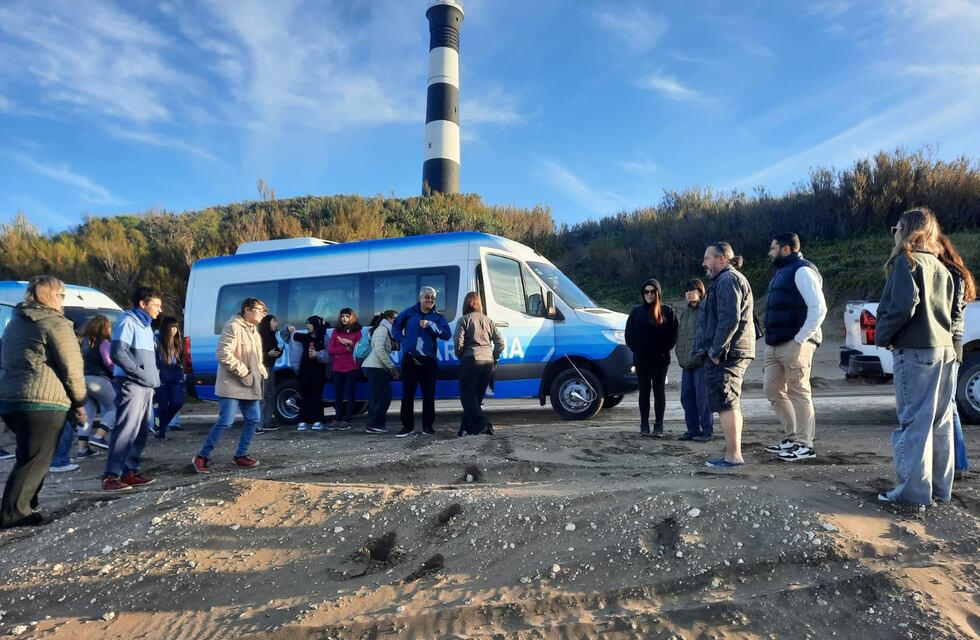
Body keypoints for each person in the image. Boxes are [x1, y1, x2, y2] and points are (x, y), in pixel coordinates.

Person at [875, 208, 955, 506]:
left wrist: (883, 335)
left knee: (914, 422)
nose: (893, 233)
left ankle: (912, 494)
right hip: (945, 350)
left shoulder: (905, 261)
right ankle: (939, 490)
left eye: (895, 228)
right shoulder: (940, 265)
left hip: (917, 349)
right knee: (941, 423)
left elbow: (904, 305)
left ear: (905, 229)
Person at [0, 276, 87, 527]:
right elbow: (72, 368)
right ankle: (15, 513)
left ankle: (24, 506)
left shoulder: (15, 324)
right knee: (35, 460)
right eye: (61, 295)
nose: (63, 300)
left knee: (27, 456)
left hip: (10, 399)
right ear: (52, 296)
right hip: (42, 401)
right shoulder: (55, 323)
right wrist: (79, 401)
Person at [762, 233, 828, 462]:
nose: (770, 252)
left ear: (786, 249)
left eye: (773, 248)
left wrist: (800, 339)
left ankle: (804, 443)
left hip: (796, 342)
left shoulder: (802, 270)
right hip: (775, 343)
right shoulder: (781, 273)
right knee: (772, 390)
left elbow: (819, 308)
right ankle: (791, 438)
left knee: (799, 392)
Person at [692, 242, 756, 468]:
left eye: (707, 258)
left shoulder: (728, 280)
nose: (704, 263)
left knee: (727, 402)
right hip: (729, 351)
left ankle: (733, 456)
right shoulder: (725, 280)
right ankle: (732, 454)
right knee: (727, 402)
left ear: (722, 258)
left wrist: (716, 351)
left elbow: (730, 319)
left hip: (728, 353)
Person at [192, 298, 268, 474]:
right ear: (247, 310)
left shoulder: (254, 331)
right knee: (226, 421)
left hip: (250, 383)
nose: (264, 313)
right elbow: (223, 354)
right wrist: (243, 372)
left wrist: (261, 370)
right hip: (232, 383)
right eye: (260, 309)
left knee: (254, 419)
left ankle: (241, 455)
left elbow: (256, 357)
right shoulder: (233, 326)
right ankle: (201, 456)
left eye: (265, 310)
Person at [101, 286, 163, 492]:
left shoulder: (145, 326)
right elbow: (117, 352)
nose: (159, 310)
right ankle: (111, 476)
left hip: (146, 385)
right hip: (132, 383)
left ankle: (129, 471)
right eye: (155, 305)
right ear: (142, 304)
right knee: (126, 429)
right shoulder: (128, 321)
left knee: (142, 430)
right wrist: (139, 373)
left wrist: (151, 378)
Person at [936, 234, 975, 477]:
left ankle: (958, 463)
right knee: (947, 405)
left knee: (948, 405)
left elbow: (952, 315)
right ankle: (957, 462)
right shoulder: (957, 272)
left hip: (948, 341)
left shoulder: (951, 273)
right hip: (953, 341)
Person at [392, 287, 451, 437]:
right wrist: (403, 340)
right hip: (409, 360)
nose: (430, 300)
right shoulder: (409, 312)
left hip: (428, 361)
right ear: (420, 298)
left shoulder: (438, 317)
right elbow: (395, 326)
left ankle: (428, 427)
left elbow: (446, 334)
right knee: (407, 396)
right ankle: (407, 427)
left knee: (428, 396)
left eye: (433, 298)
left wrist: (431, 325)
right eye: (427, 297)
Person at [625, 279, 678, 437]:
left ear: (658, 293)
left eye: (652, 291)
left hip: (660, 360)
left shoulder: (667, 311)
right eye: (646, 292)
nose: (649, 294)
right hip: (641, 360)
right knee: (644, 392)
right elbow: (629, 335)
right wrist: (637, 350)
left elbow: (674, 334)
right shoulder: (636, 312)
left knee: (659, 392)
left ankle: (659, 426)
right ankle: (644, 425)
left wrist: (663, 350)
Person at [454, 292, 505, 437]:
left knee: (467, 397)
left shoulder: (463, 320)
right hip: (487, 362)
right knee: (475, 399)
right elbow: (500, 342)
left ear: (466, 304)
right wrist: (494, 357)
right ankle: (465, 429)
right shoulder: (489, 320)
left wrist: (461, 356)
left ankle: (484, 424)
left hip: (470, 360)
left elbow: (458, 344)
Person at [675, 279, 713, 442]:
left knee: (702, 398)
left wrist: (705, 354)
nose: (689, 293)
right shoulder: (685, 314)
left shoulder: (706, 309)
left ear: (700, 291)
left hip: (700, 361)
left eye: (693, 290)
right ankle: (692, 430)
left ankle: (706, 430)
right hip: (686, 362)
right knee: (686, 397)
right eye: (687, 290)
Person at [78, 315, 115, 455]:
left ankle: (82, 449)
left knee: (88, 414)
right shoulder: (104, 342)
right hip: (99, 379)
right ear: (104, 327)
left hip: (83, 379)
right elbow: (109, 362)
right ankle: (99, 436)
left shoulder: (84, 342)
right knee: (115, 407)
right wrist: (116, 371)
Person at [362, 310, 400, 434]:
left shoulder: (387, 330)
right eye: (395, 318)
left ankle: (377, 424)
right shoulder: (382, 330)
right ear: (388, 318)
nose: (397, 320)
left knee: (381, 396)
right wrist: (391, 366)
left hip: (377, 367)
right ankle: (373, 425)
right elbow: (379, 350)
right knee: (381, 397)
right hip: (374, 367)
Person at [327, 308, 362, 430]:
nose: (344, 318)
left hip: (352, 366)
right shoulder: (336, 331)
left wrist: (350, 343)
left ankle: (347, 419)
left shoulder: (358, 331)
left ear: (352, 317)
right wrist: (346, 349)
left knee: (351, 393)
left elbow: (359, 350)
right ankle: (337, 418)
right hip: (337, 367)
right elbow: (331, 350)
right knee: (338, 394)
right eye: (342, 316)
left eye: (347, 316)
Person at [291, 316, 328, 431]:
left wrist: (318, 354)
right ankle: (303, 421)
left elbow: (329, 355)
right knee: (305, 395)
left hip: (318, 370)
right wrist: (289, 329)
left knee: (316, 395)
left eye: (309, 324)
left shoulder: (324, 338)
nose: (307, 326)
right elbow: (292, 335)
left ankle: (317, 420)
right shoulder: (304, 337)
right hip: (305, 370)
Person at [151, 316, 184, 440]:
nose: (174, 330)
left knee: (177, 402)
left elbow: (181, 358)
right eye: (171, 327)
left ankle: (161, 426)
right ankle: (160, 431)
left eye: (176, 327)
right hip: (162, 375)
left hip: (176, 375)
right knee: (162, 406)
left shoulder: (177, 342)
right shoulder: (157, 341)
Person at [257, 314, 284, 433]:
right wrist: (268, 354)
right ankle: (257, 425)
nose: (275, 323)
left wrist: (280, 351)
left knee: (271, 395)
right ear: (267, 323)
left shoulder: (273, 336)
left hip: (271, 367)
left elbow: (275, 353)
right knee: (262, 397)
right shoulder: (259, 337)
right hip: (262, 368)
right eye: (273, 321)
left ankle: (267, 422)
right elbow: (255, 354)